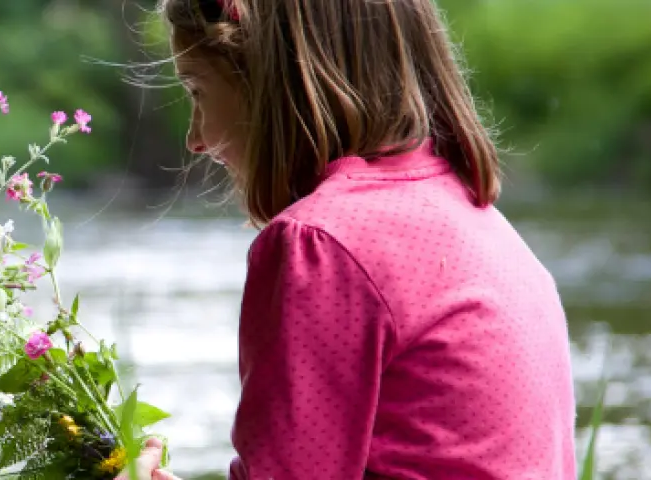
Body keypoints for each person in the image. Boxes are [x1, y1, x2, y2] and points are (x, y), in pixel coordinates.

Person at [123, 0, 578, 478]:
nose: (195, 139)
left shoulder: (321, 244)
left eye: (196, 91)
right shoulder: (482, 222)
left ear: (269, 82)